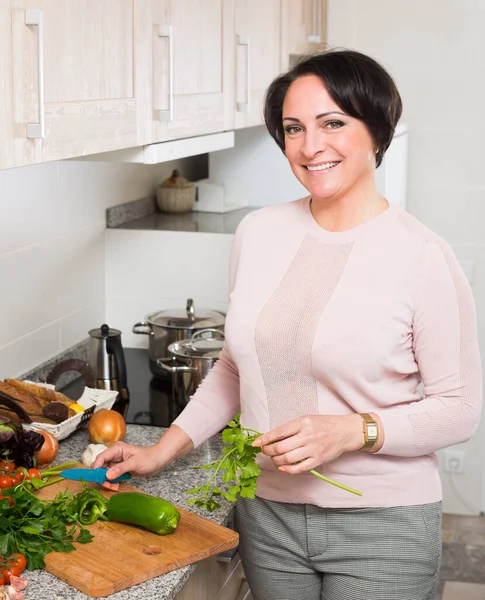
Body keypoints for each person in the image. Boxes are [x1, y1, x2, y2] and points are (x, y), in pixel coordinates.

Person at [93, 49, 482, 600]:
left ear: (376, 130)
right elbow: (235, 366)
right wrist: (163, 449)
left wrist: (353, 430)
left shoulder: (423, 257)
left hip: (382, 525)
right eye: (293, 128)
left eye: (333, 124)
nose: (310, 146)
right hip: (266, 515)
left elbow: (460, 409)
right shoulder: (258, 233)